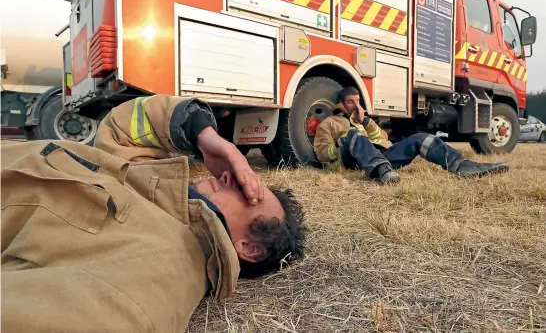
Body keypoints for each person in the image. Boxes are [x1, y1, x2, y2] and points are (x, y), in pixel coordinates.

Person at [1, 95, 307, 332]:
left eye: (249, 193)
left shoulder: (161, 270)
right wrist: (207, 138)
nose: (233, 177)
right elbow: (125, 126)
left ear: (249, 247)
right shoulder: (157, 193)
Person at [314, 87, 509, 183]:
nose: (357, 106)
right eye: (351, 102)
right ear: (341, 104)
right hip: (353, 160)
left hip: (382, 159)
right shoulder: (329, 123)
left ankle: (462, 166)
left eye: (358, 101)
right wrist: (343, 140)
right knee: (354, 136)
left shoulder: (365, 120)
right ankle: (381, 171)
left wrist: (365, 121)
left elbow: (383, 140)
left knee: (421, 138)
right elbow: (323, 154)